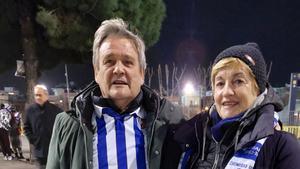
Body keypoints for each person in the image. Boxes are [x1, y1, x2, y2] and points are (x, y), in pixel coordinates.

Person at [46, 18, 185, 169]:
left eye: (128, 62)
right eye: (109, 61)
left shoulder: (171, 122)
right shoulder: (67, 125)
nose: (118, 69)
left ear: (141, 73)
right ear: (96, 72)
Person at [172, 43, 300, 169]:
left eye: (238, 81)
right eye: (220, 83)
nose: (227, 91)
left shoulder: (282, 147)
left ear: (258, 90)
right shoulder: (194, 138)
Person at [24, 84, 62, 169]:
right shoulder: (30, 110)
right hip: (39, 151)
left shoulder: (56, 110)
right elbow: (26, 128)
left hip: (54, 150)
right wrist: (34, 140)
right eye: (36, 95)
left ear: (46, 95)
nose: (38, 97)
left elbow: (62, 127)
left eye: (40, 95)